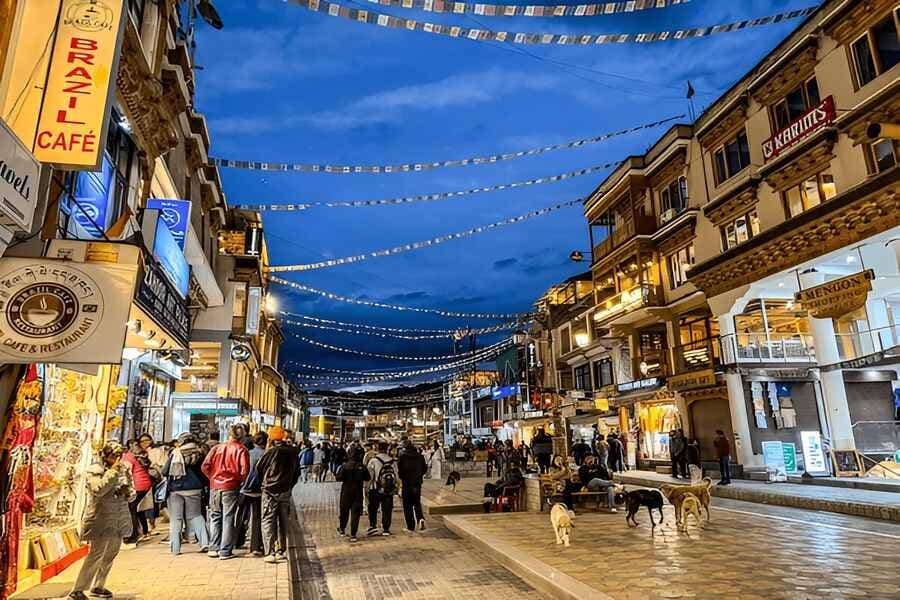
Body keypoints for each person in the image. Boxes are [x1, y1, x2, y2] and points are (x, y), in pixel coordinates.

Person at [68, 442, 132, 600]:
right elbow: (98, 490)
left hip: (119, 517)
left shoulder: (124, 469)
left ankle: (99, 585)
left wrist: (129, 493)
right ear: (105, 455)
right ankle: (78, 589)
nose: (116, 459)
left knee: (110, 554)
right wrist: (112, 472)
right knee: (96, 554)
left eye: (118, 456)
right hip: (101, 518)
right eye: (112, 456)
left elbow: (131, 489)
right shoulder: (95, 470)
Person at [200, 424, 249, 560]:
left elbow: (205, 466)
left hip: (214, 487)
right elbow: (244, 471)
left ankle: (213, 547)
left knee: (215, 516)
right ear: (242, 436)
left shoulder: (217, 448)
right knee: (228, 518)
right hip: (231, 487)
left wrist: (212, 478)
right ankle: (225, 550)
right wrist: (237, 481)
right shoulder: (241, 450)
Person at [256, 426, 301, 563]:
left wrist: (264, 484)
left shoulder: (271, 452)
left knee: (268, 519)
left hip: (270, 490)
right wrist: (289, 486)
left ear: (271, 438)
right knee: (283, 520)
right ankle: (281, 550)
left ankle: (270, 552)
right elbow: (297, 473)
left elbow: (259, 468)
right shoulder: (293, 452)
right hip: (285, 491)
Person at [162, 433, 209, 556]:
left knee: (176, 519)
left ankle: (175, 548)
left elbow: (164, 471)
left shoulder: (176, 453)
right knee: (195, 516)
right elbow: (205, 471)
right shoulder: (200, 453)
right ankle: (204, 542)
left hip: (176, 489)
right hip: (194, 488)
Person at [235, 431, 268, 555]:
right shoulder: (267, 455)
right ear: (265, 442)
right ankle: (255, 546)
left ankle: (236, 541)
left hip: (244, 489)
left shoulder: (247, 454)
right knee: (257, 518)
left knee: (240, 516)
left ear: (254, 442)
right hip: (259, 491)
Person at [337, 445, 370, 542]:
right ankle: (353, 534)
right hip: (357, 492)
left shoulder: (345, 466)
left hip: (346, 492)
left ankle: (342, 529)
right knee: (355, 513)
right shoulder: (361, 466)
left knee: (344, 511)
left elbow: (338, 477)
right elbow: (368, 477)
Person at [122, 439, 153, 545]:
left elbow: (127, 472)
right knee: (136, 508)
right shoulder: (141, 454)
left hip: (137, 484)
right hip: (145, 483)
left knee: (131, 509)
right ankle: (143, 530)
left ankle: (133, 535)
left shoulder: (129, 456)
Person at [366, 441, 396, 536]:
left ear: (378, 448)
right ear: (387, 449)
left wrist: (366, 488)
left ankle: (373, 525)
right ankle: (386, 529)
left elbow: (369, 477)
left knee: (373, 508)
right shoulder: (392, 461)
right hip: (388, 489)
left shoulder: (373, 461)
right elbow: (396, 476)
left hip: (375, 488)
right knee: (387, 509)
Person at [397, 441, 428, 532]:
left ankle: (410, 526)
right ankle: (420, 518)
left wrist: (403, 478)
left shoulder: (402, 457)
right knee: (417, 503)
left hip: (407, 484)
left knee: (407, 505)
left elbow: (400, 471)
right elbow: (424, 469)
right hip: (417, 483)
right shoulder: (420, 456)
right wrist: (419, 476)